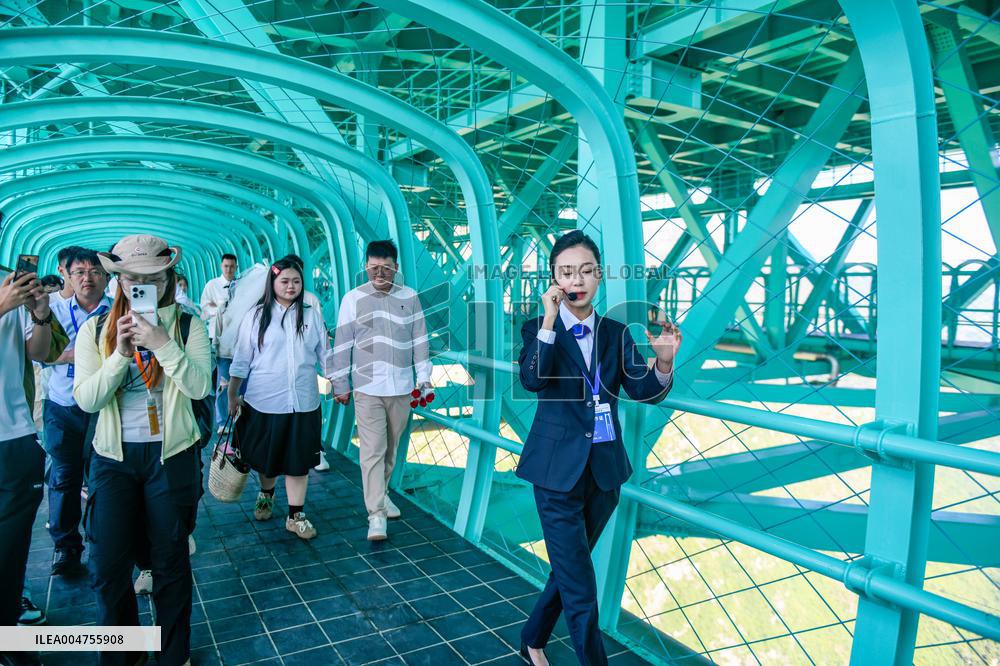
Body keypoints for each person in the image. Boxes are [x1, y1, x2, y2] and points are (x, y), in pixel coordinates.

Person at [517, 231, 681, 666]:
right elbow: (532, 379)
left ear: (600, 276)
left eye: (586, 271)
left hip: (605, 473)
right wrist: (550, 320)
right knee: (581, 586)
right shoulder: (538, 329)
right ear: (554, 279)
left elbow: (643, 390)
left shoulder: (615, 333)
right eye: (567, 272)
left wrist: (663, 361)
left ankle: (532, 637)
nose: (577, 280)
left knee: (569, 570)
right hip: (555, 474)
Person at [75, 234, 211, 666]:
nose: (142, 287)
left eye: (153, 279)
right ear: (118, 281)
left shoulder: (188, 326)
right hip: (113, 458)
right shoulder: (96, 329)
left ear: (169, 279)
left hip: (170, 456)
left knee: (170, 562)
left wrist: (162, 343)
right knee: (108, 566)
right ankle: (125, 653)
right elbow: (87, 400)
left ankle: (173, 654)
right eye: (132, 279)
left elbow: (200, 387)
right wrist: (119, 355)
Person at [330, 240, 431, 541]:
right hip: (367, 388)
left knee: (390, 450)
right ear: (366, 266)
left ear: (396, 268)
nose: (379, 273)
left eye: (386, 268)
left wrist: (424, 379)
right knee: (373, 449)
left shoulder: (410, 297)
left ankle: (382, 493)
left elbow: (420, 341)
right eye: (374, 268)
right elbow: (342, 344)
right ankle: (376, 515)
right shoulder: (353, 299)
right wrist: (340, 383)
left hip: (401, 387)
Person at [228, 257, 329, 540]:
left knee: (299, 461)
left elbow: (326, 356)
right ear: (272, 283)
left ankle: (296, 516)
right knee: (268, 459)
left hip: (304, 402)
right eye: (284, 281)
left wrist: (342, 383)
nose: (291, 286)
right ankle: (266, 492)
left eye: (296, 281)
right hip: (265, 401)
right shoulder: (256, 316)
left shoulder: (311, 315)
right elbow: (242, 359)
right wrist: (232, 393)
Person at [44, 248, 111, 576]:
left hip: (104, 407)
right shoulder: (52, 310)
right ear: (68, 276)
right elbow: (41, 353)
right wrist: (77, 355)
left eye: (95, 271)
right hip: (62, 405)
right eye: (80, 272)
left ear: (106, 277)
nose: (88, 278)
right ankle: (66, 546)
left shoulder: (117, 310)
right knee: (64, 477)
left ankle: (103, 543)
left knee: (103, 477)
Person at [0, 269, 53, 666]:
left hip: (15, 436)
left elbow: (38, 353)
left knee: (11, 550)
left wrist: (40, 315)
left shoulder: (10, 285)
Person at [201, 253, 238, 434]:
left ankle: (237, 418)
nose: (229, 269)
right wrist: (219, 309)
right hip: (218, 338)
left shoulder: (241, 285)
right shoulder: (212, 285)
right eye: (226, 266)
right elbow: (204, 307)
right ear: (221, 266)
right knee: (222, 379)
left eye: (232, 266)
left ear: (236, 267)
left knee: (238, 379)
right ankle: (222, 420)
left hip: (238, 339)